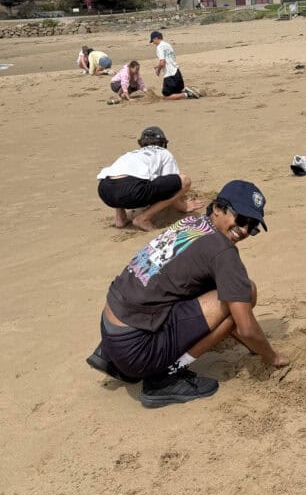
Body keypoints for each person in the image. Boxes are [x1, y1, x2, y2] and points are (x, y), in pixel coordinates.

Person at [86, 180, 289, 408]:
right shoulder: (222, 251)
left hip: (110, 331)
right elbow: (246, 328)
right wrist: (272, 356)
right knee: (245, 294)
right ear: (217, 208)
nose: (243, 230)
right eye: (241, 219)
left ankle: (110, 356)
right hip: (136, 350)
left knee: (216, 289)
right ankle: (164, 379)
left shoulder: (191, 223)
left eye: (252, 228)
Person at [97, 126, 203, 231]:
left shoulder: (131, 154)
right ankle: (143, 218)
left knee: (120, 177)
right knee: (184, 180)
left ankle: (120, 218)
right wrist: (183, 206)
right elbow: (173, 187)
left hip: (105, 191)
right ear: (163, 143)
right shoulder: (163, 152)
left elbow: (115, 177)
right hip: (132, 191)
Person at [150, 30, 201, 100]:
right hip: (177, 72)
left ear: (156, 38)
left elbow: (162, 62)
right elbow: (169, 59)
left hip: (170, 75)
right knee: (177, 91)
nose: (153, 43)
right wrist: (158, 66)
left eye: (153, 41)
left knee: (166, 95)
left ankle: (186, 94)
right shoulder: (168, 45)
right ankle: (186, 91)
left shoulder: (159, 47)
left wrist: (158, 70)